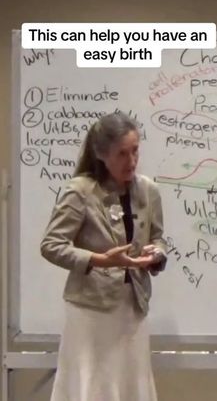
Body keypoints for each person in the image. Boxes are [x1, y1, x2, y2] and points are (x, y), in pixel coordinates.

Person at [40, 111, 167, 401]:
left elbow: (158, 237)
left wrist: (157, 254)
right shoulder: (81, 191)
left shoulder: (149, 190)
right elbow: (51, 244)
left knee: (131, 387)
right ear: (101, 155)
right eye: (122, 154)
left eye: (135, 151)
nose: (131, 161)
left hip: (133, 307)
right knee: (93, 387)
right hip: (91, 311)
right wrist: (99, 260)